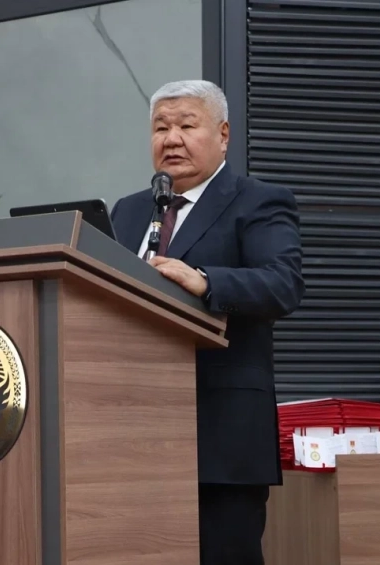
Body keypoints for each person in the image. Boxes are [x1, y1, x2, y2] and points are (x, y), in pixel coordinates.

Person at [109, 80, 305, 565]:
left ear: (223, 134)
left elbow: (283, 285)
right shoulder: (130, 211)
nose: (171, 139)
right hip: (130, 431)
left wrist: (205, 281)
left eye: (186, 125)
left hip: (222, 435)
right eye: (161, 128)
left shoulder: (257, 201)